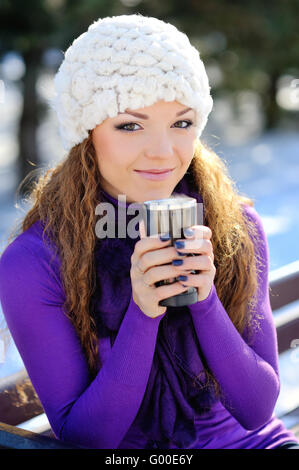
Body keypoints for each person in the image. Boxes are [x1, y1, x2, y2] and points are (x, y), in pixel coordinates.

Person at [0, 13, 298, 450]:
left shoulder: (234, 226)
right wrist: (144, 312)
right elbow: (87, 438)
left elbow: (256, 411)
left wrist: (204, 297)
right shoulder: (36, 261)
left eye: (181, 123)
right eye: (130, 125)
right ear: (87, 133)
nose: (163, 153)